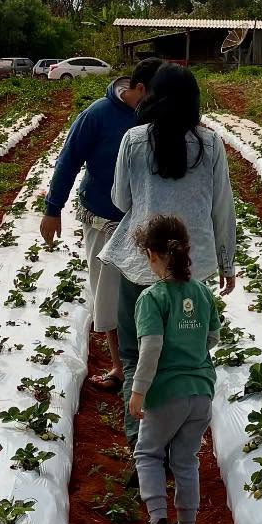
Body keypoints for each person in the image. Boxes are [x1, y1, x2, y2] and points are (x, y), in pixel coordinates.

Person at [101, 62, 236, 449]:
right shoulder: (211, 144)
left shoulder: (134, 139)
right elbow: (222, 208)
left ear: (152, 97)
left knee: (134, 352)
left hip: (143, 262)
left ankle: (139, 440)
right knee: (185, 354)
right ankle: (179, 442)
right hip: (192, 266)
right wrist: (226, 262)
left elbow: (120, 200)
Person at [40, 57, 162, 390]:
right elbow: (68, 160)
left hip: (146, 222)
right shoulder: (97, 115)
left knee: (150, 294)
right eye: (157, 94)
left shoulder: (159, 117)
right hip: (104, 218)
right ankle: (122, 369)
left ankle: (151, 369)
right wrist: (53, 209)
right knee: (107, 295)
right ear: (139, 89)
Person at [128, 215, 220, 524]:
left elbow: (150, 347)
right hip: (201, 392)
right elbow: (211, 337)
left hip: (167, 392)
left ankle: (157, 522)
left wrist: (138, 390)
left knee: (149, 452)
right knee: (186, 458)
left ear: (151, 255)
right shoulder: (202, 293)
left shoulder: (153, 298)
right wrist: (190, 348)